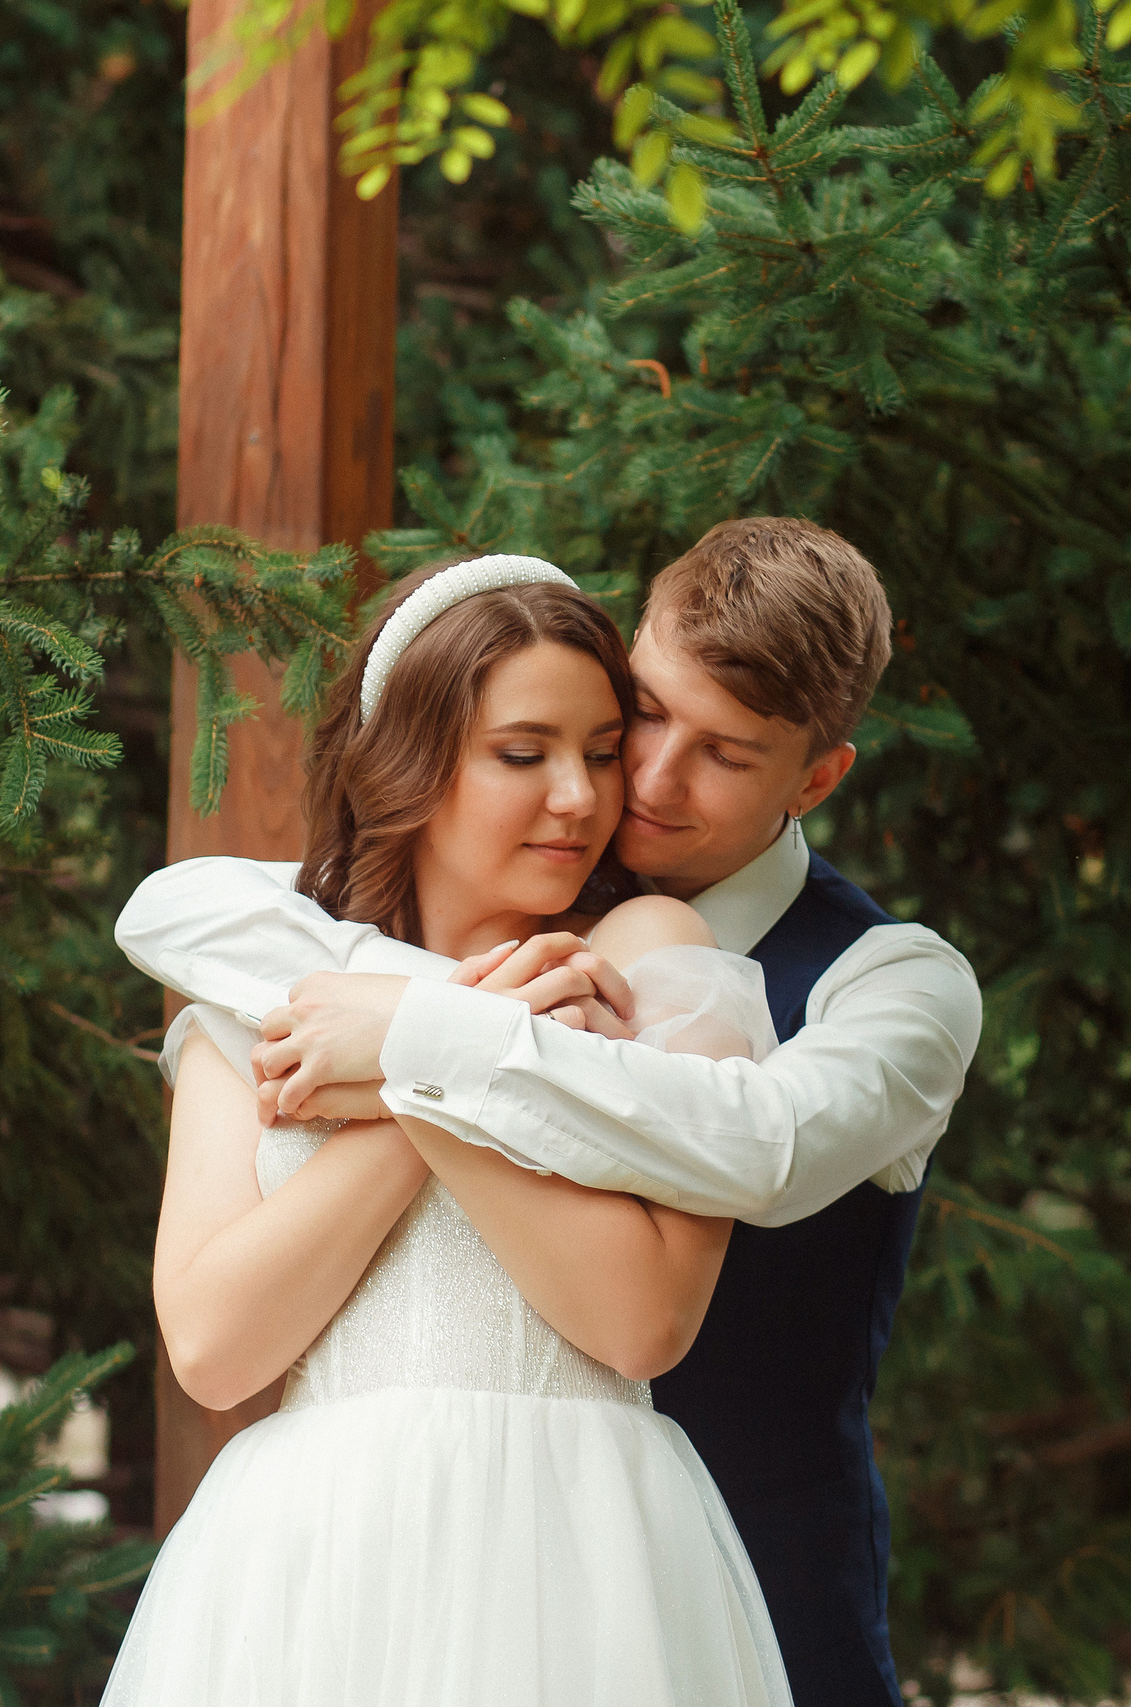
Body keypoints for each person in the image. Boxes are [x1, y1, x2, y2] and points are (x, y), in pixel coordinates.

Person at [116, 517, 985, 1707]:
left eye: (719, 754)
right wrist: (445, 1039)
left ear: (815, 778)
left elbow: (727, 1196)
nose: (614, 791)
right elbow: (213, 1347)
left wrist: (424, 1052)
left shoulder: (796, 971)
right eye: (638, 724)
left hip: (628, 1575)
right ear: (411, 760)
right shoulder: (284, 973)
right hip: (319, 1569)